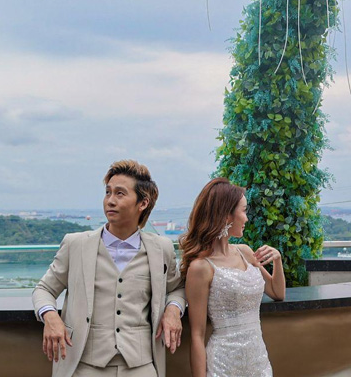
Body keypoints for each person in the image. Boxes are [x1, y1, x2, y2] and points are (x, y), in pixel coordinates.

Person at [33, 160, 187, 377]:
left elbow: (177, 288)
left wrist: (173, 310)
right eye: (108, 192)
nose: (110, 201)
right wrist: (50, 316)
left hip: (141, 366)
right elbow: (43, 289)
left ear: (143, 203)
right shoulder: (75, 244)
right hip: (85, 365)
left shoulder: (160, 248)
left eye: (120, 194)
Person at [180, 178, 285, 377]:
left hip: (258, 361)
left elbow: (277, 293)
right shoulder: (201, 267)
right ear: (227, 215)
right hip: (223, 365)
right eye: (243, 211)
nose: (246, 218)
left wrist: (277, 260)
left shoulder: (245, 252)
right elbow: (197, 335)